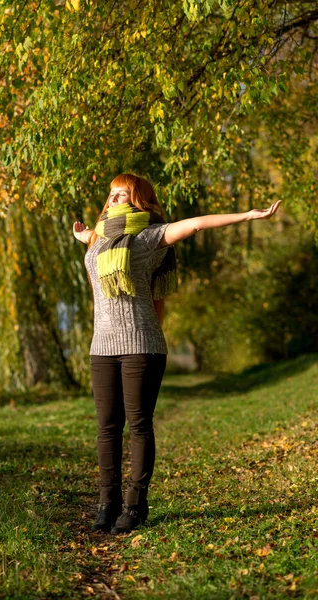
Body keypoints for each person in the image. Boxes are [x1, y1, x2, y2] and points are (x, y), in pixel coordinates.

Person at [73, 173, 281, 535]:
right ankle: (107, 504)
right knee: (107, 428)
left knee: (138, 426)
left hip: (142, 344)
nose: (114, 198)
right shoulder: (98, 241)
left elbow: (197, 224)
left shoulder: (150, 237)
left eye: (123, 193)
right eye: (111, 194)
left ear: (139, 200)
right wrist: (85, 238)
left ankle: (135, 505)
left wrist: (248, 215)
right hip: (102, 347)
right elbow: (97, 292)